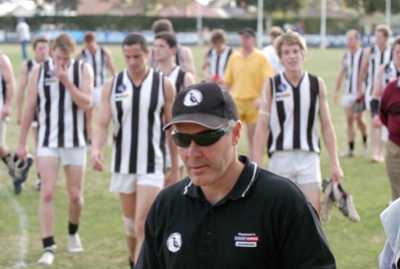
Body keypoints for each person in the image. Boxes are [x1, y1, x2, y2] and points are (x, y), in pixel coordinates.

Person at [136, 82, 337, 269]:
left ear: (236, 133)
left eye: (207, 137)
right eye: (182, 138)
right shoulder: (167, 205)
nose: (192, 153)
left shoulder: (283, 201)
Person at [91, 33, 178, 269]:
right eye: (127, 57)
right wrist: (96, 149)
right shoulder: (113, 85)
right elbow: (101, 122)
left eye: (137, 56)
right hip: (123, 163)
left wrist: (176, 166)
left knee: (142, 224)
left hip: (153, 163)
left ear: (147, 54)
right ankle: (134, 261)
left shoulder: (164, 85)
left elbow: (172, 129)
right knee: (130, 227)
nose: (132, 61)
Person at [16, 33, 93, 265]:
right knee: (47, 192)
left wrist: (67, 81)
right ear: (51, 51)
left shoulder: (82, 70)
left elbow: (87, 102)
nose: (60, 61)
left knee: (75, 197)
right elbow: (30, 106)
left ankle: (72, 231)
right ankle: (48, 246)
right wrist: (21, 142)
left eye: (65, 58)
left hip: (75, 142)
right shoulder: (38, 71)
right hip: (47, 142)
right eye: (57, 56)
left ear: (72, 54)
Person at [252, 31, 343, 212]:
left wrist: (335, 162)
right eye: (286, 52)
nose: (292, 56)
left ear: (303, 54)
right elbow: (262, 126)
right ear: (280, 57)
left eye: (295, 51)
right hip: (280, 157)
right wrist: (256, 163)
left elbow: (326, 125)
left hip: (308, 157)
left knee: (312, 213)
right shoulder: (272, 84)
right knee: (279, 215)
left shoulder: (317, 83)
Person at [224, 28, 274, 157]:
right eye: (242, 37)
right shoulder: (234, 57)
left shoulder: (261, 57)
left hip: (254, 102)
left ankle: (254, 164)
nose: (244, 40)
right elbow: (228, 80)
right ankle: (231, 163)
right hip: (237, 102)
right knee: (230, 136)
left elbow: (268, 79)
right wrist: (225, 97)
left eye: (247, 37)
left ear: (253, 39)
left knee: (254, 138)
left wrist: (261, 98)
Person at [153, 31, 194, 185]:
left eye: (161, 46)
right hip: (154, 141)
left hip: (176, 140)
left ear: (173, 50)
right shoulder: (150, 76)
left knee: (175, 189)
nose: (156, 50)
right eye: (155, 46)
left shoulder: (185, 77)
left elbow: (192, 113)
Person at [16, 36, 50, 191]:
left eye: (45, 47)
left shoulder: (53, 65)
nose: (43, 50)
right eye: (40, 47)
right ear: (34, 50)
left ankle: (33, 166)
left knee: (48, 146)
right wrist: (19, 113)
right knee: (39, 144)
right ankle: (40, 178)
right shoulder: (29, 65)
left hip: (51, 112)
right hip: (35, 112)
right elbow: (21, 89)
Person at [359, 24, 392, 163]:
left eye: (379, 36)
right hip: (372, 92)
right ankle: (376, 153)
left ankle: (386, 152)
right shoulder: (370, 51)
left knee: (389, 123)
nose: (376, 39)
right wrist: (360, 86)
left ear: (386, 38)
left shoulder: (393, 52)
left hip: (389, 93)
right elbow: (363, 69)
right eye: (375, 36)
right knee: (374, 121)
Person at [372, 37, 400, 200]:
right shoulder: (385, 70)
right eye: (397, 52)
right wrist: (376, 115)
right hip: (391, 129)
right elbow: (376, 96)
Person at [334, 29, 368, 157]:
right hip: (348, 92)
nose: (348, 41)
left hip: (360, 92)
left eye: (351, 39)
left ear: (357, 40)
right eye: (347, 39)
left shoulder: (364, 54)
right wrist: (336, 91)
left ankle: (365, 141)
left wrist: (363, 89)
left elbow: (366, 73)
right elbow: (341, 73)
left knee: (359, 119)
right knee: (349, 120)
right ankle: (351, 150)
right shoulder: (346, 55)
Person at [0, 51, 23, 193]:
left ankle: (15, 171)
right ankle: (17, 170)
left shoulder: (2, 60)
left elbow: (10, 83)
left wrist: (8, 105)